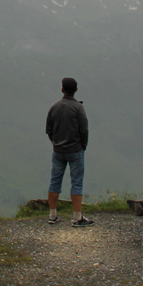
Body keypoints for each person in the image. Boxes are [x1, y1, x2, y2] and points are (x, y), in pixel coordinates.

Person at [45, 77, 93, 227]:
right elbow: (83, 130)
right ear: (76, 90)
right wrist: (82, 145)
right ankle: (77, 218)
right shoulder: (78, 108)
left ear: (62, 90)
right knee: (76, 182)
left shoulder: (54, 106)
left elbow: (49, 130)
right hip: (76, 150)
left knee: (55, 181)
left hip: (58, 151)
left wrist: (56, 143)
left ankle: (52, 215)